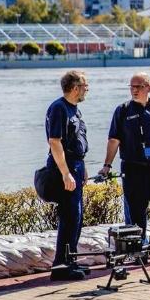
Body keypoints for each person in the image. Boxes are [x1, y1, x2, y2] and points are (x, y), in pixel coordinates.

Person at [98, 72, 150, 261]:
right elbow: (114, 140)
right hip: (134, 169)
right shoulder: (122, 110)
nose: (134, 90)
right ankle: (137, 253)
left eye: (138, 86)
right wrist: (106, 165)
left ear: (148, 88)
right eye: (131, 87)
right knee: (135, 214)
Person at [45, 70, 90, 281]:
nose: (86, 90)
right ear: (75, 88)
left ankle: (70, 260)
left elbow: (77, 140)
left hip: (76, 167)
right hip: (64, 168)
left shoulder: (75, 110)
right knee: (69, 217)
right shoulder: (59, 108)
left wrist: (83, 168)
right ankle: (61, 266)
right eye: (85, 86)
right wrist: (66, 173)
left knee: (77, 217)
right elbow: (55, 142)